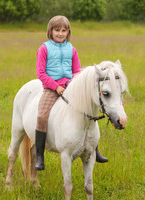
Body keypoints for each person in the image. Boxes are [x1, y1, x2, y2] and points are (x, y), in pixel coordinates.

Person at [35, 15, 108, 171]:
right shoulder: (44, 49)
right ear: (50, 31)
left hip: (70, 87)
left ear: (68, 32)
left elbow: (77, 71)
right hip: (51, 88)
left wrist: (74, 84)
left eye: (63, 30)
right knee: (42, 115)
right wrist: (55, 87)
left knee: (89, 111)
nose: (60, 33)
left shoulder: (71, 49)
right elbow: (40, 73)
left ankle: (95, 149)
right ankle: (40, 155)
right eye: (57, 30)